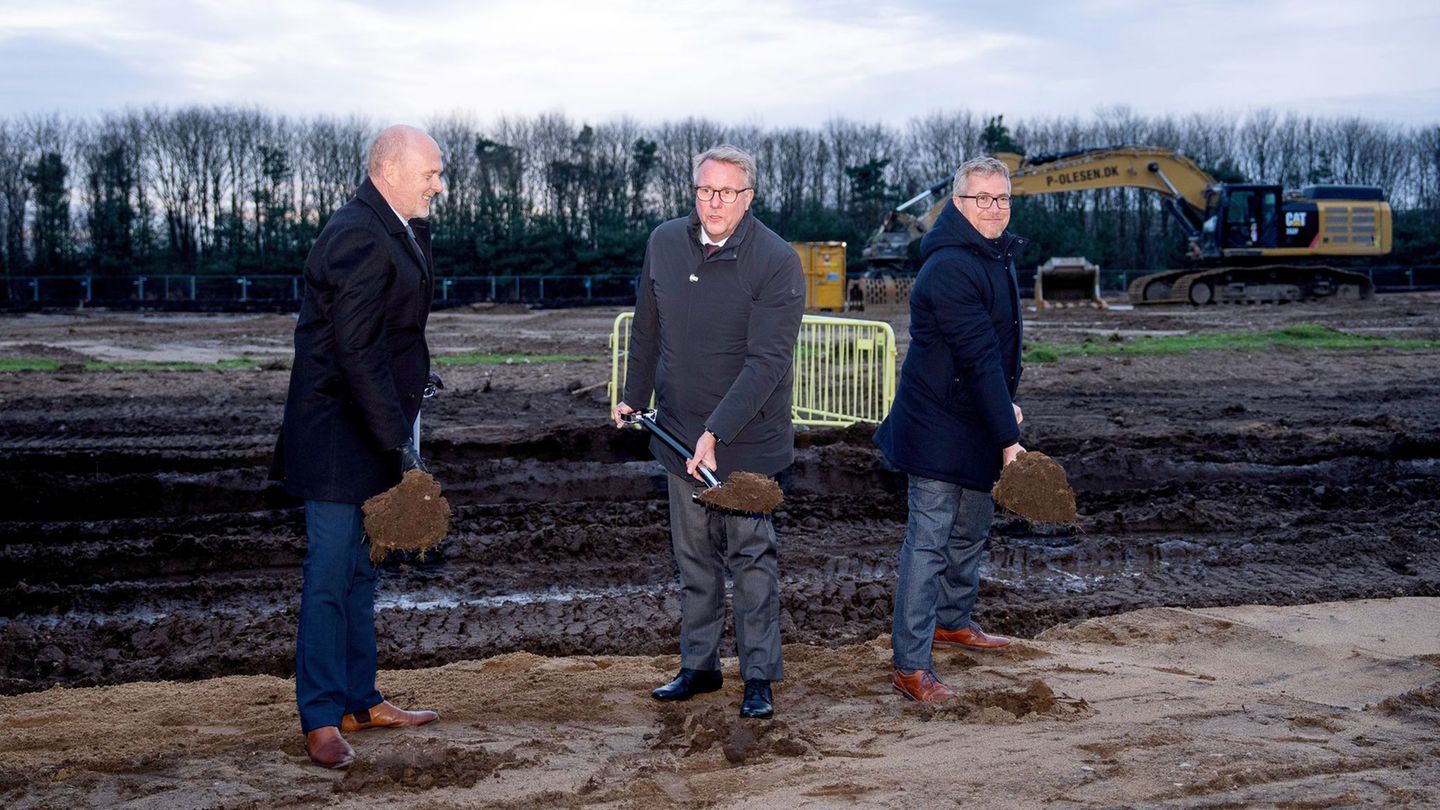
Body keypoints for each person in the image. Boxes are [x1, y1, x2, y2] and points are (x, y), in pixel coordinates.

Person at [271, 124, 444, 767]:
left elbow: (395, 332)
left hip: (369, 428)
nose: (438, 185)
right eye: (430, 173)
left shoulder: (393, 228)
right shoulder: (358, 235)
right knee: (328, 574)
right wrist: (400, 443)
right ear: (389, 170)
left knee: (361, 571)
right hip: (337, 437)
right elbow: (357, 350)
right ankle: (320, 718)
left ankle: (359, 701)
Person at [612, 144, 804, 720]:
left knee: (751, 558)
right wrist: (633, 395)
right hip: (678, 432)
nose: (714, 203)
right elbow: (647, 328)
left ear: (749, 197)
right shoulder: (664, 242)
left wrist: (717, 431)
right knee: (693, 558)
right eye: (704, 190)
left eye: (727, 192)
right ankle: (699, 666)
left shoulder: (776, 260)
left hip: (747, 440)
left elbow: (768, 361)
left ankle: (758, 675)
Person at [874, 155, 1027, 703]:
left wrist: (1003, 409)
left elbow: (999, 350)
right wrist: (1009, 440)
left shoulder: (996, 253)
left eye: (1001, 198)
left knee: (971, 528)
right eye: (981, 198)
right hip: (936, 426)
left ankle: (952, 620)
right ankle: (910, 665)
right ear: (957, 204)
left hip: (976, 417)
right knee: (930, 542)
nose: (993, 208)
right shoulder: (950, 267)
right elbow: (978, 356)